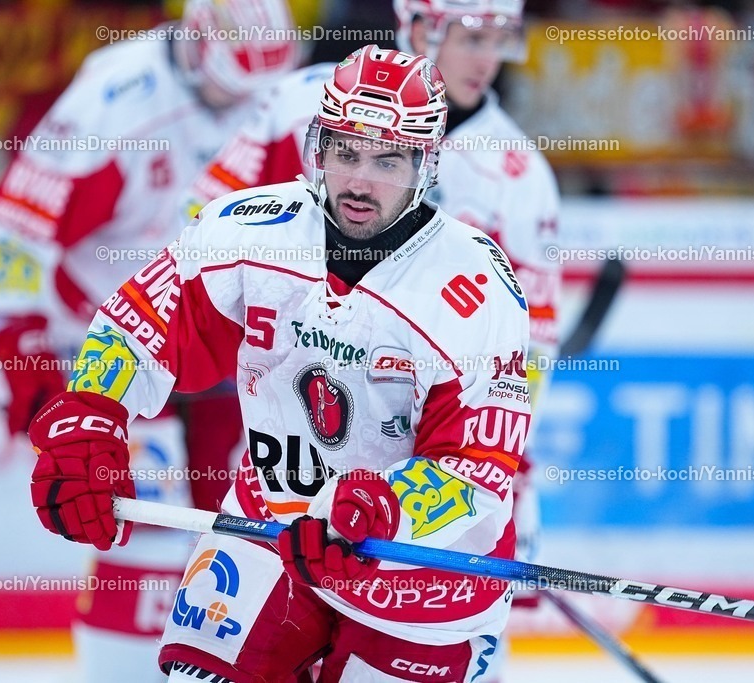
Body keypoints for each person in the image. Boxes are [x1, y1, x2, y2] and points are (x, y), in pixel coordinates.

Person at [28, 45, 533, 682]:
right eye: (346, 151)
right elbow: (141, 324)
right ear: (316, 148)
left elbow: (478, 472)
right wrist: (89, 419)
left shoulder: (474, 286)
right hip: (271, 525)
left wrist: (381, 509)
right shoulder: (247, 230)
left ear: (425, 164)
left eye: (388, 159)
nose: (359, 181)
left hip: (420, 576)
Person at [180, 2, 561, 675]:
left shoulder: (520, 176)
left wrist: (503, 476)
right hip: (294, 444)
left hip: (418, 483)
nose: (487, 59)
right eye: (472, 37)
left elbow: (526, 350)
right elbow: (204, 223)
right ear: (418, 28)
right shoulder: (303, 101)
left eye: (499, 40)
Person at [0, 2, 297, 681]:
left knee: (238, 519)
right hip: (105, 340)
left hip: (208, 342)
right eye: (231, 90)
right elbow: (10, 229)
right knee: (134, 520)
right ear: (198, 44)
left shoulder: (272, 105)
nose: (244, 109)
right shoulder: (118, 98)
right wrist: (27, 361)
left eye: (258, 95)